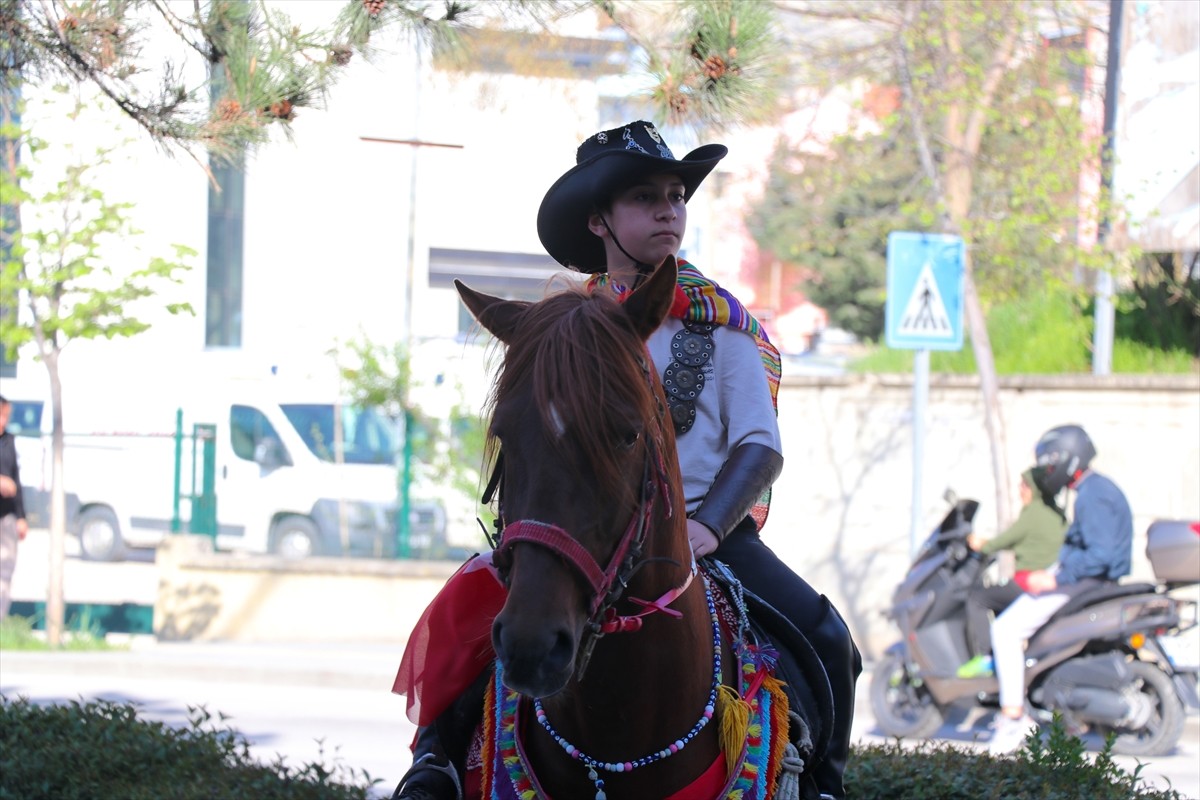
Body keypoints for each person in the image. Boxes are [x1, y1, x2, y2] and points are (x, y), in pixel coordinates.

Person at [392, 121, 861, 800]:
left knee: (825, 632)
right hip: (585, 533)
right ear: (599, 221)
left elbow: (759, 448)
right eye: (647, 197)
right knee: (469, 610)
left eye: (676, 195)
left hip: (707, 537)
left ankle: (824, 782)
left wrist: (708, 528)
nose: (669, 210)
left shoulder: (722, 326)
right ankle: (434, 763)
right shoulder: (564, 328)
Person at [987, 424, 1133, 755]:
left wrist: (1054, 579)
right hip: (1083, 579)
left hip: (1083, 582)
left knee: (1007, 630)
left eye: (1050, 464)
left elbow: (1101, 555)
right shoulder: (1096, 490)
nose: (1047, 472)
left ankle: (1013, 718)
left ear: (1067, 458)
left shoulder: (1093, 495)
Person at [956, 468, 1068, 678]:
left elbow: (1007, 539)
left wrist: (983, 544)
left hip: (1029, 583)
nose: (1020, 490)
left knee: (977, 598)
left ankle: (988, 657)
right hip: (1054, 583)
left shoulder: (1034, 511)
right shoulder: (1058, 513)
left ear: (1035, 489)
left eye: (1024, 485)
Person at [0, 395, 30, 621]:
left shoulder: (8, 440)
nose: (3, 421)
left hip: (7, 516)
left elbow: (16, 481)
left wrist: (21, 517)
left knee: (5, 571)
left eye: (6, 416)